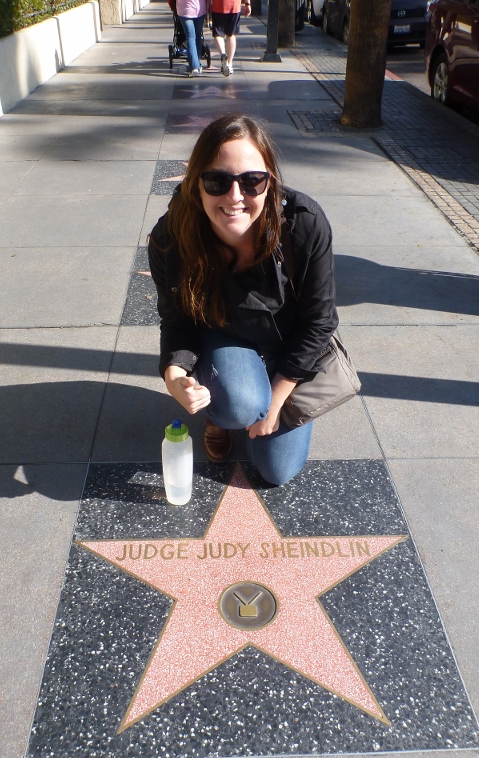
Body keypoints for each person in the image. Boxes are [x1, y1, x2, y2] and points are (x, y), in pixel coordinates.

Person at [148, 114, 338, 486]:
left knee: (277, 471)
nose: (235, 197)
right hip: (226, 334)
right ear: (196, 184)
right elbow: (176, 319)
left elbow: (319, 321)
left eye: (252, 181)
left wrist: (279, 399)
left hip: (289, 345)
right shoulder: (172, 237)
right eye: (217, 181)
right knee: (238, 406)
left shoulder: (304, 225)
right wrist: (174, 375)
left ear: (270, 183)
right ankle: (223, 409)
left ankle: (256, 391)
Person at [209, 0, 250, 76]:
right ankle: (229, 64)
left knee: (218, 34)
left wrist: (208, 4)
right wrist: (247, 4)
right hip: (234, 5)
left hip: (218, 6)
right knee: (231, 35)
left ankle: (223, 54)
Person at [174, 0, 207, 77]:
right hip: (200, 9)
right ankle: (197, 63)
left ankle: (194, 66)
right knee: (198, 35)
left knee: (190, 37)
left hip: (185, 9)